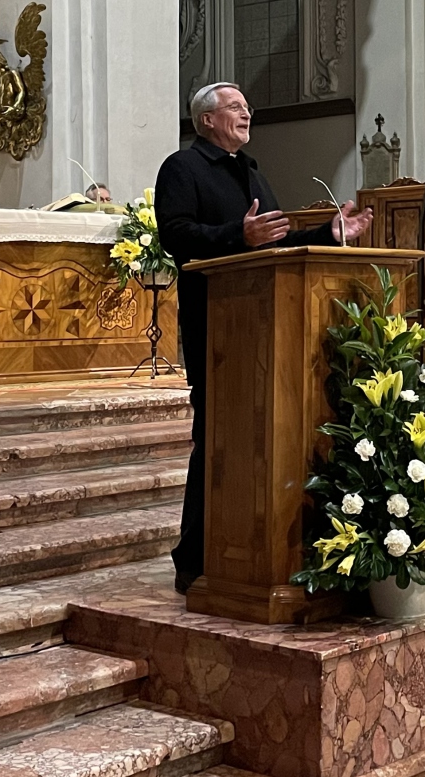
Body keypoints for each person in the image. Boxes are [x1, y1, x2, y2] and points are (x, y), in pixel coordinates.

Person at [155, 82, 373, 593]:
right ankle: (194, 558)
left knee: (263, 438)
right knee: (217, 439)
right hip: (219, 326)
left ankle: (259, 548)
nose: (247, 112)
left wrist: (327, 234)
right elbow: (176, 235)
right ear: (206, 119)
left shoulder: (251, 170)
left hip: (269, 328)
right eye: (235, 107)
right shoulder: (181, 169)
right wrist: (238, 235)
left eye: (247, 106)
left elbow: (280, 241)